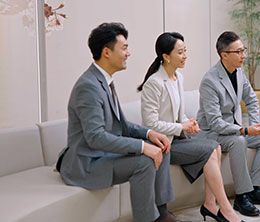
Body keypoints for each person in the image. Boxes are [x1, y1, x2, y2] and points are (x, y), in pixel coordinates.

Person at [57, 23, 177, 222]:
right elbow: (95, 137)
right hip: (88, 162)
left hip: (103, 155)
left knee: (161, 146)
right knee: (144, 161)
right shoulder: (88, 86)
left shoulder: (104, 81)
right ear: (106, 52)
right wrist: (141, 147)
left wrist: (150, 135)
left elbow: (121, 125)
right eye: (124, 48)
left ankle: (162, 212)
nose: (128, 53)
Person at [138, 32, 244, 222]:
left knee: (216, 147)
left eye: (185, 50)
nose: (185, 55)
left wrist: (189, 123)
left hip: (179, 138)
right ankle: (225, 209)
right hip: (163, 143)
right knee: (212, 149)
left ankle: (210, 205)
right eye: (180, 52)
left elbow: (179, 114)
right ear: (166, 56)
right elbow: (151, 124)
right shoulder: (153, 84)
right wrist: (181, 126)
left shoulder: (178, 77)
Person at [196, 31, 260, 217]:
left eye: (244, 50)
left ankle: (254, 189)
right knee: (239, 141)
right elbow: (215, 122)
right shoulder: (210, 81)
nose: (243, 55)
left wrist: (254, 126)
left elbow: (251, 100)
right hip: (211, 133)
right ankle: (241, 197)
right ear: (224, 55)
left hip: (235, 129)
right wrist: (244, 130)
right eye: (239, 52)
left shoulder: (240, 72)